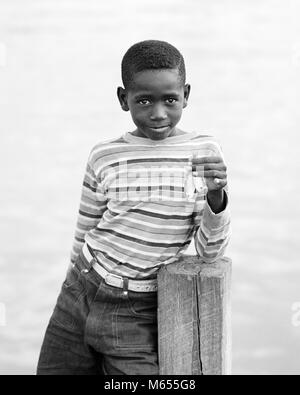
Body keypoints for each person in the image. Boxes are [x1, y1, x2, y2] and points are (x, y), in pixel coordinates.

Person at [37, 40, 231, 375]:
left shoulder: (202, 152)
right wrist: (71, 279)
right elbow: (86, 227)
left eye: (170, 100)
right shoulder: (104, 155)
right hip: (80, 290)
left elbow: (209, 251)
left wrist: (217, 198)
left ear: (186, 94)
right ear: (123, 99)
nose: (158, 113)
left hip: (137, 309)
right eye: (144, 100)